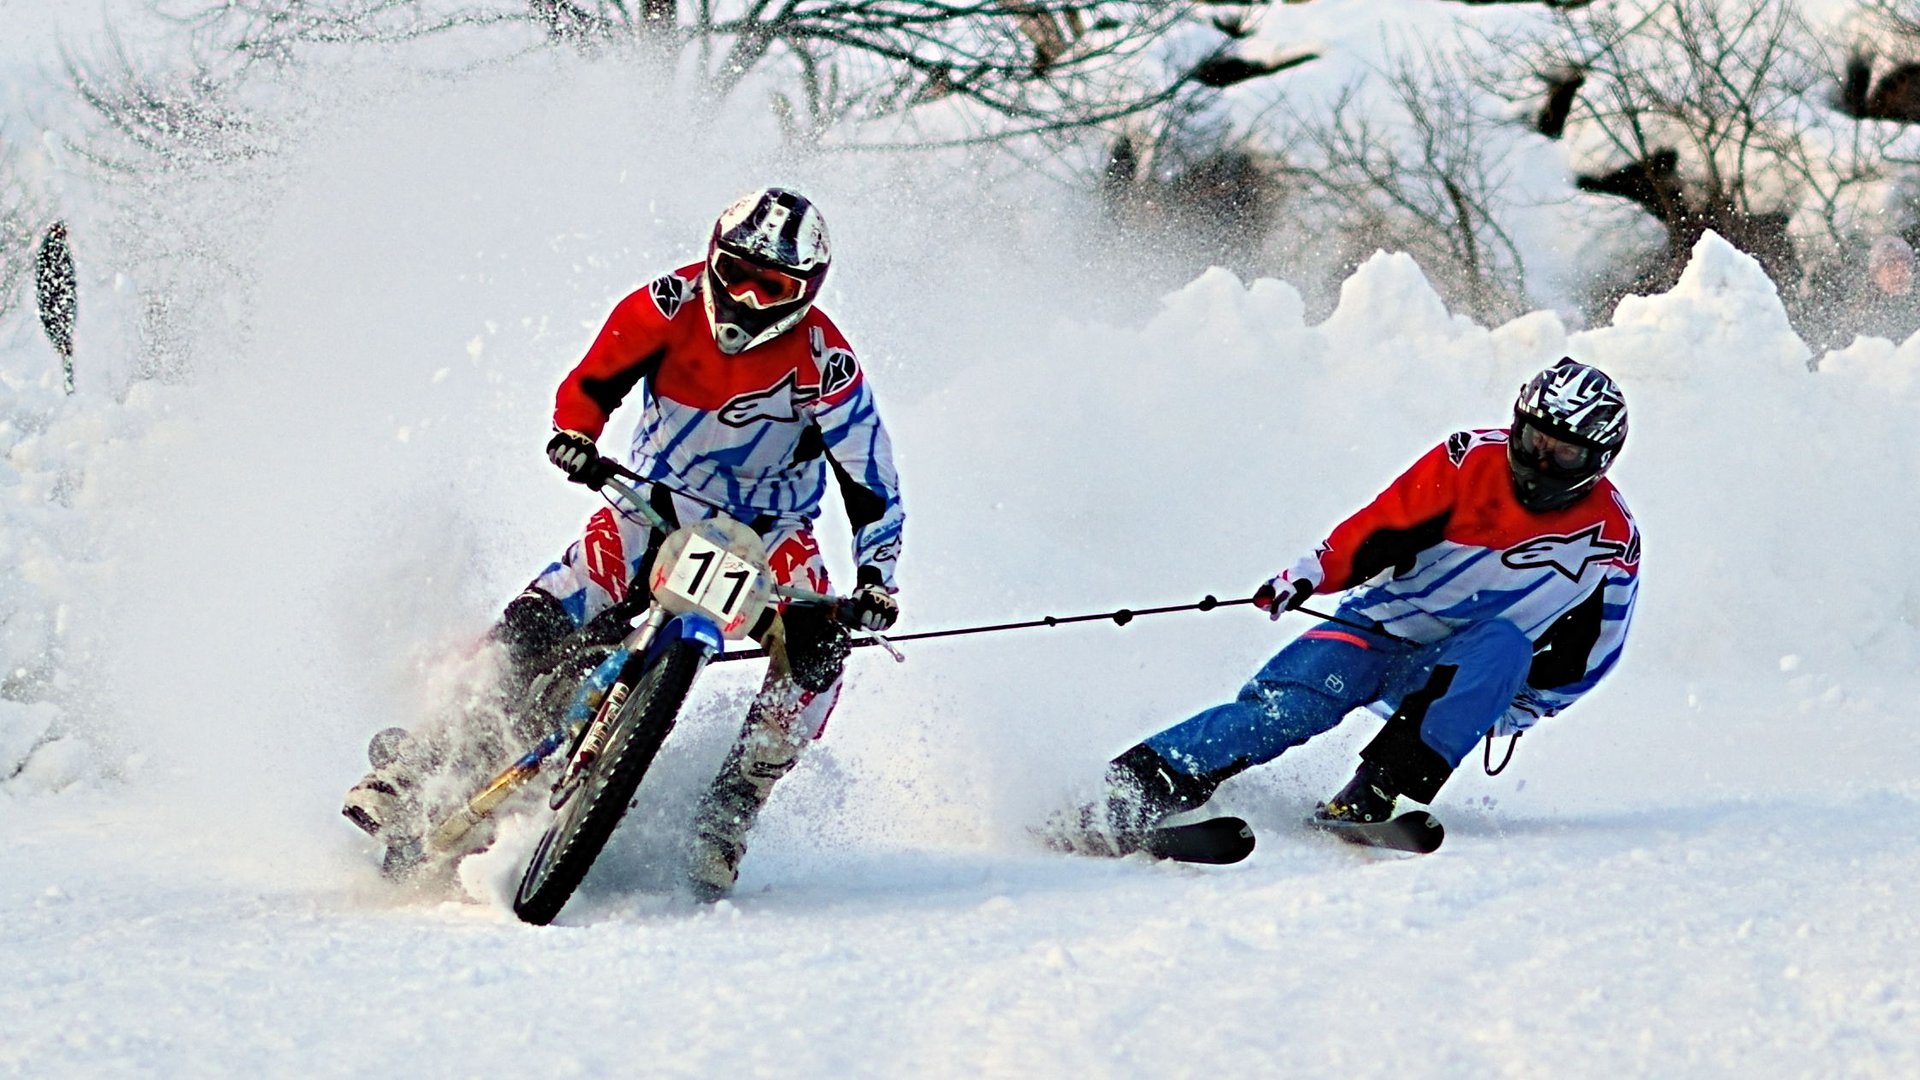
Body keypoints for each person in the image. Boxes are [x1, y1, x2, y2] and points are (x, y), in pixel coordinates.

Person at [344, 188, 905, 900]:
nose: (748, 301)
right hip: (655, 503)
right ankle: (428, 758)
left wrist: (877, 577)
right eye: (734, 274)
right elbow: (593, 380)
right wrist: (576, 434)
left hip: (770, 536)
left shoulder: (827, 364)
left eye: (775, 289)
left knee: (821, 653)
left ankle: (732, 807)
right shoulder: (668, 303)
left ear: (807, 293)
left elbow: (873, 485)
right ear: (711, 258)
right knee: (552, 603)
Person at [1095, 358, 1638, 836]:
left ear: (1599, 460)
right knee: (1287, 711)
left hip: (1464, 672)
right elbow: (1378, 527)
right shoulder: (1467, 460)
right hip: (1377, 629)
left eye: (1563, 455)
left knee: (1505, 644)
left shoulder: (1611, 540)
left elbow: (1594, 649)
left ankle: (1379, 792)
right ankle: (1135, 785)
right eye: (1532, 442)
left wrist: (1527, 705)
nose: (1540, 463)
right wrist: (1307, 574)